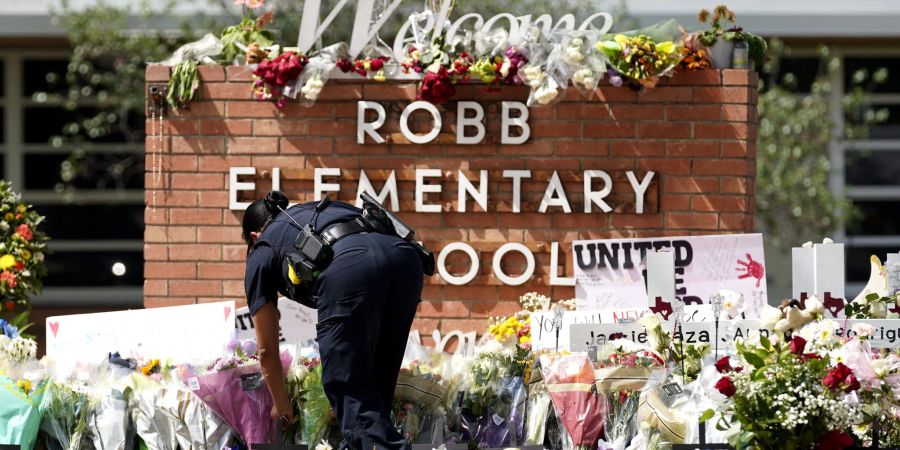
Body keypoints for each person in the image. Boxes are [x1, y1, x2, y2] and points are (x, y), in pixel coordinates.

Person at [242, 191, 426, 450]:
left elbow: (266, 350)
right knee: (375, 383)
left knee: (347, 383)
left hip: (350, 271)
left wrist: (280, 402)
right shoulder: (319, 211)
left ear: (253, 236)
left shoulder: (261, 249)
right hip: (406, 261)